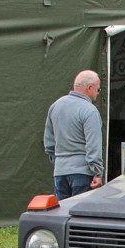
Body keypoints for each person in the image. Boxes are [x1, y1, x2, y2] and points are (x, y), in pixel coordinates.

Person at [44, 70, 104, 199]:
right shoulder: (90, 111)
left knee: (62, 214)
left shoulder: (55, 106)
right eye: (98, 90)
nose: (98, 93)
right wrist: (98, 173)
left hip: (60, 172)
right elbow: (93, 145)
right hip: (83, 172)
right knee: (80, 215)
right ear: (89, 88)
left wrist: (59, 163)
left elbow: (49, 143)